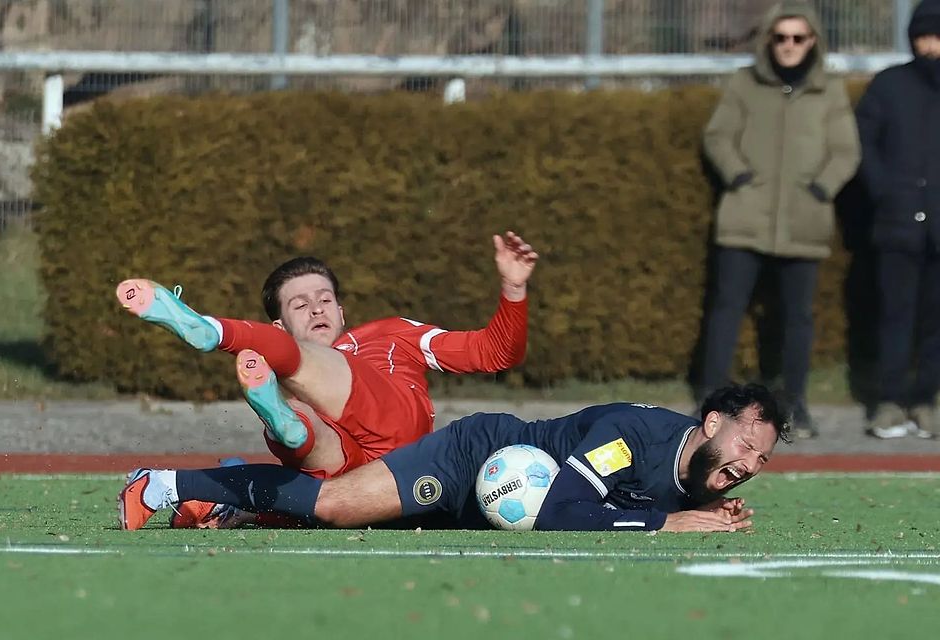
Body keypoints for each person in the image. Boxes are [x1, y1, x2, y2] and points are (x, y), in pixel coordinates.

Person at [117, 231, 538, 527]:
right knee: (300, 419)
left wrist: (513, 289)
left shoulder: (390, 333)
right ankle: (284, 423)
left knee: (305, 388)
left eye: (325, 299)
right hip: (342, 478)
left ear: (341, 312)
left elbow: (496, 353)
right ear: (279, 328)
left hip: (400, 444)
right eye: (300, 305)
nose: (317, 309)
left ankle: (216, 332)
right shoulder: (285, 373)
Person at [119, 382, 790, 533]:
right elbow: (562, 509)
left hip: (495, 506)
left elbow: (652, 496)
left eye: (761, 460)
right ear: (711, 423)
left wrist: (711, 506)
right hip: (478, 459)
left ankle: (227, 498)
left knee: (363, 520)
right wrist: (665, 523)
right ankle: (165, 482)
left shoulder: (700, 466)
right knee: (336, 505)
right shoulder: (632, 436)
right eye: (745, 444)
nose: (749, 463)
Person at [699, 1, 860, 439]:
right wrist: (738, 176)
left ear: (812, 42)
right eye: (781, 37)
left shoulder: (829, 90)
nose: (789, 46)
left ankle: (794, 404)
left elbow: (846, 151)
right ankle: (710, 401)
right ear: (769, 40)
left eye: (798, 38)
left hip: (804, 220)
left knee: (797, 317)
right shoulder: (744, 83)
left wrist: (821, 188)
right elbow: (718, 136)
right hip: (745, 215)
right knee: (726, 308)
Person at [856, 0, 940, 440]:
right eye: (924, 36)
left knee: (935, 323)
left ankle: (925, 401)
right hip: (897, 225)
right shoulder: (889, 85)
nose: (932, 46)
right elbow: (864, 143)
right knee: (894, 317)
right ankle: (888, 402)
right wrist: (885, 191)